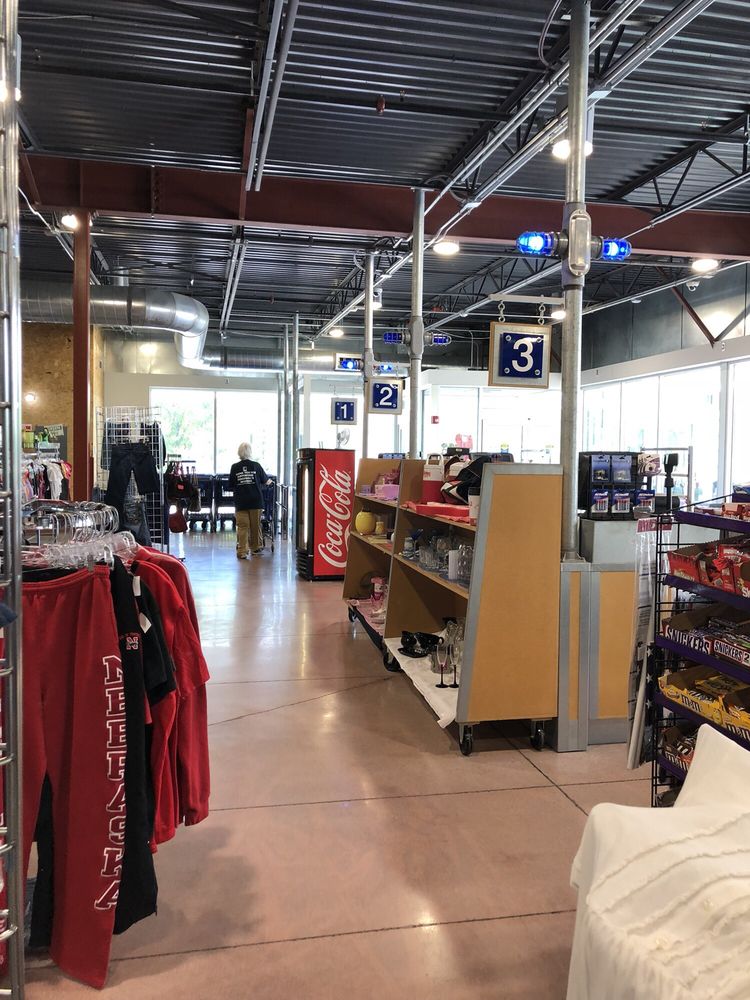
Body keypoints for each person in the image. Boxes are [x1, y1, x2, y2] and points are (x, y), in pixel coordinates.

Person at [229, 443, 270, 559]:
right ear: (250, 452)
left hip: (241, 501)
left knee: (242, 527)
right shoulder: (256, 466)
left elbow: (231, 484)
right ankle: (255, 548)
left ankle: (242, 551)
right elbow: (266, 481)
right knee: (255, 526)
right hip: (256, 501)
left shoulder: (234, 467)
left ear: (239, 452)